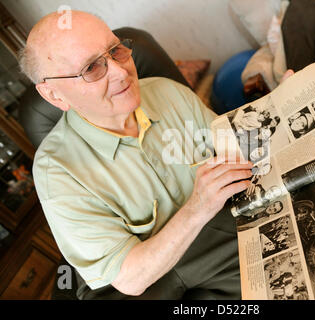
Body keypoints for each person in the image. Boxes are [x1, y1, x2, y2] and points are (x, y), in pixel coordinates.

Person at [21, 10, 255, 300]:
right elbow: (130, 280)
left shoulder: (170, 93)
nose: (122, 72)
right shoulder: (56, 172)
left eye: (116, 50)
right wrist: (199, 205)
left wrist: (281, 108)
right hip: (143, 281)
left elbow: (239, 151)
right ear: (55, 95)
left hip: (215, 239)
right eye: (92, 68)